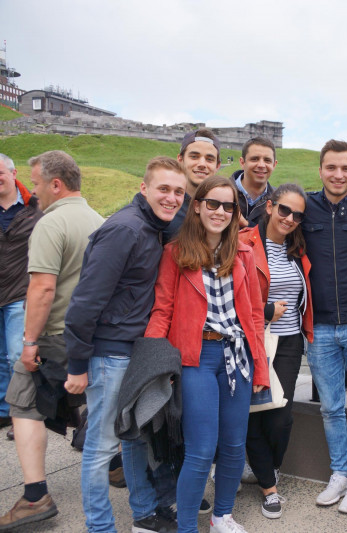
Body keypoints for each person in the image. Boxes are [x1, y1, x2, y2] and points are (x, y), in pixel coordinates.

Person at [63, 156, 186, 533]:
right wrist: (77, 365)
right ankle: (99, 526)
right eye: (163, 189)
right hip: (108, 354)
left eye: (178, 191)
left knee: (133, 437)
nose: (172, 197)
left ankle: (143, 515)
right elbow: (85, 301)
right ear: (143, 188)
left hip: (134, 351)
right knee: (101, 449)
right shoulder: (125, 229)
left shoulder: (152, 228)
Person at [145, 175, 268, 533]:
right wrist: (155, 363)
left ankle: (222, 517)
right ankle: (186, 527)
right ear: (197, 206)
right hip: (196, 358)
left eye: (228, 206)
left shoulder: (242, 252)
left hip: (237, 357)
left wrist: (260, 367)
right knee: (201, 449)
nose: (220, 211)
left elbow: (254, 317)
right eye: (212, 203)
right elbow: (162, 310)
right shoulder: (176, 253)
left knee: (234, 445)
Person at [0, 151, 103, 530]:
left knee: (22, 403)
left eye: (39, 183)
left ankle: (34, 496)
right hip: (89, 337)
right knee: (86, 404)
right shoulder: (98, 221)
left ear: (56, 184)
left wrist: (29, 342)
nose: (36, 191)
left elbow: (42, 288)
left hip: (53, 335)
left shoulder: (49, 223)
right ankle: (116, 465)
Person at [301, 140, 347, 514]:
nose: (338, 174)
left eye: (345, 168)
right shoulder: (306, 207)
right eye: (331, 167)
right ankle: (339, 473)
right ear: (320, 170)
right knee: (330, 407)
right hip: (320, 327)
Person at [239, 183, 313, 520]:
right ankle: (269, 486)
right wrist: (265, 310)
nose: (290, 218)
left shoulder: (299, 247)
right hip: (253, 339)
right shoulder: (243, 242)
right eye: (284, 210)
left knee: (280, 416)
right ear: (270, 206)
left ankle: (266, 466)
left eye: (298, 214)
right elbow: (232, 292)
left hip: (289, 341)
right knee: (255, 413)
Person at [0, 153, 42, 432]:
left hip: (19, 293)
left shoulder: (34, 207)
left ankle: (24, 413)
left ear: (14, 174)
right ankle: (5, 411)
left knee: (19, 355)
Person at [231, 137, 277, 227]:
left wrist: (246, 224)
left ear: (274, 165)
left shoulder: (278, 200)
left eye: (267, 160)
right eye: (254, 159)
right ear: (242, 162)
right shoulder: (220, 193)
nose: (261, 165)